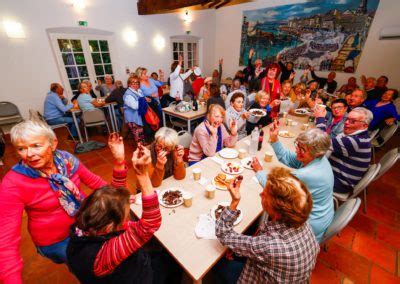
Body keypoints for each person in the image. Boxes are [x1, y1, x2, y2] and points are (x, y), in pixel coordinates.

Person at [0, 123, 127, 283]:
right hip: (57, 240)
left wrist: (119, 194)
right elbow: (5, 241)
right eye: (21, 149)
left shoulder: (67, 160)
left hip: (84, 226)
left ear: (53, 144)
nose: (29, 154)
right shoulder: (13, 183)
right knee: (91, 271)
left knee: (106, 262)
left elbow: (94, 181)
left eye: (36, 146)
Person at [67, 144, 162, 283]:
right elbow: (149, 224)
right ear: (110, 227)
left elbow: (111, 199)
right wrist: (143, 176)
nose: (128, 219)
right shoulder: (101, 256)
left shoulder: (86, 225)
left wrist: (119, 161)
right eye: (125, 215)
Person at [214, 167, 319, 283]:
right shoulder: (304, 223)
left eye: (265, 194)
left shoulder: (270, 246)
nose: (261, 194)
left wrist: (234, 201)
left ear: (278, 212)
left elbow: (223, 234)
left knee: (218, 264)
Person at [253, 124, 334, 242]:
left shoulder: (307, 174)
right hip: (323, 214)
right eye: (298, 145)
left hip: (309, 225)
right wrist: (275, 140)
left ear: (317, 153)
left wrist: (259, 171)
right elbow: (289, 158)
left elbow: (275, 189)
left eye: (302, 149)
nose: (297, 150)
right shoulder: (319, 158)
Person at [317, 107, 373, 194]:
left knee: (298, 173)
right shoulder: (357, 136)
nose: (346, 122)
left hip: (338, 182)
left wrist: (320, 118)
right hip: (332, 173)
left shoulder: (356, 141)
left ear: (364, 125)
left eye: (352, 121)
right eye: (347, 119)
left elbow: (321, 141)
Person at [123, 75, 147, 147]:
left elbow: (141, 100)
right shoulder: (128, 94)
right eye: (133, 83)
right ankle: (141, 149)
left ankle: (143, 147)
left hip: (138, 115)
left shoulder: (139, 91)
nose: (135, 84)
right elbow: (135, 106)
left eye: (137, 83)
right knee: (137, 134)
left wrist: (144, 99)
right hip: (132, 117)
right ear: (129, 84)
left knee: (140, 132)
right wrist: (144, 100)